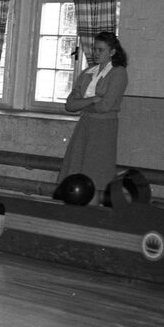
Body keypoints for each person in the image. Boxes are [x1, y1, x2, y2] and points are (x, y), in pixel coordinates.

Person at [57, 31, 129, 205]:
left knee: (97, 173)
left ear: (112, 52)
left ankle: (93, 212)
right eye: (94, 49)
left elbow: (106, 106)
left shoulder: (118, 73)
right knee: (76, 169)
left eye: (100, 50)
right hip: (85, 125)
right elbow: (69, 105)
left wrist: (82, 103)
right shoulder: (88, 72)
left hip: (104, 128)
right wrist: (92, 100)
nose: (96, 53)